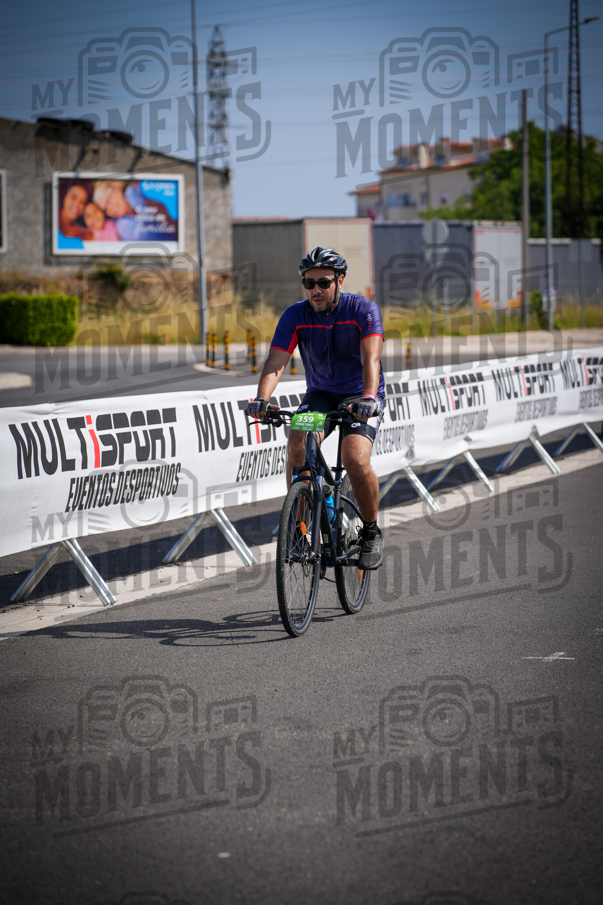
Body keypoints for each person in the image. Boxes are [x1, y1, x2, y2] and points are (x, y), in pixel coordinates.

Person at [246, 247, 385, 570]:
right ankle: (299, 528)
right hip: (320, 394)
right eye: (309, 284)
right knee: (297, 442)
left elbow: (371, 358)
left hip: (359, 395)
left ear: (340, 280)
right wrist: (262, 399)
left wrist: (367, 397)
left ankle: (370, 530)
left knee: (354, 457)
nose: (315, 290)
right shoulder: (295, 315)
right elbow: (277, 361)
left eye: (323, 282)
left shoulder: (362, 309)